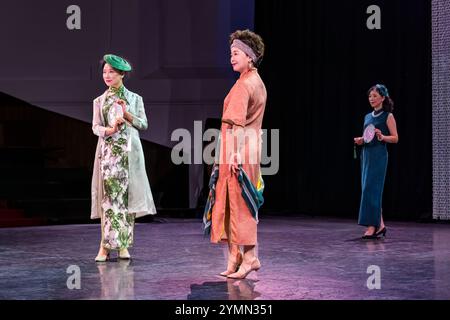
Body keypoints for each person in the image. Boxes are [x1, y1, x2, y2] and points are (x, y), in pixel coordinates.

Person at [204, 30, 267, 279]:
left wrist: (234, 155)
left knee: (240, 203)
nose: (231, 57)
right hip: (247, 148)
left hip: (238, 150)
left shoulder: (244, 84)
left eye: (236, 53)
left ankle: (250, 257)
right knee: (232, 202)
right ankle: (234, 257)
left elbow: (238, 124)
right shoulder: (256, 80)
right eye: (230, 53)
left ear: (250, 57)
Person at [91, 54, 156, 261]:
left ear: (122, 74)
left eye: (111, 72)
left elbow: (143, 124)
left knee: (126, 200)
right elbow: (95, 127)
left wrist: (127, 115)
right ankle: (105, 246)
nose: (107, 76)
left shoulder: (135, 99)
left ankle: (123, 246)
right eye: (104, 72)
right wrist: (110, 130)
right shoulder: (99, 101)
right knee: (109, 201)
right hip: (109, 156)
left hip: (129, 155)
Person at [354, 84, 398, 239]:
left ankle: (372, 226)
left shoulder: (388, 116)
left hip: (379, 156)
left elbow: (395, 138)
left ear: (383, 98)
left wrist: (383, 137)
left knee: (372, 190)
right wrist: (360, 140)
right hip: (366, 155)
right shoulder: (367, 116)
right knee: (367, 189)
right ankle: (381, 224)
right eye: (370, 96)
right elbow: (367, 137)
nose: (371, 99)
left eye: (374, 96)